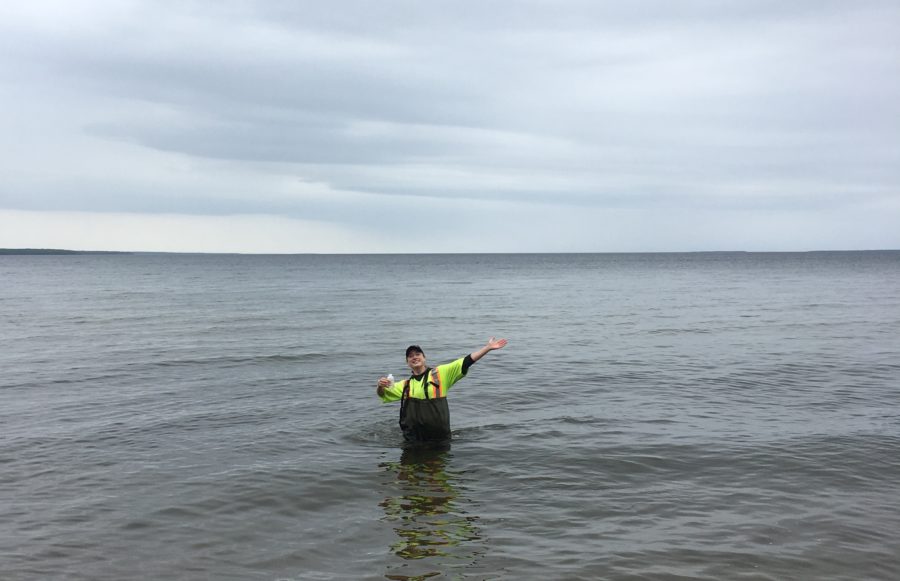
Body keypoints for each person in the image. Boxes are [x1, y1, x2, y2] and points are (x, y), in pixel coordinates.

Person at [377, 338, 508, 445]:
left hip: (439, 439)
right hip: (413, 441)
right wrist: (380, 386)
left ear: (424, 358)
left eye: (417, 354)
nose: (414, 357)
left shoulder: (440, 373)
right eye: (410, 356)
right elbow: (383, 395)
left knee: (436, 475)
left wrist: (487, 348)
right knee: (410, 476)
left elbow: (466, 362)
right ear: (407, 362)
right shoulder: (405, 385)